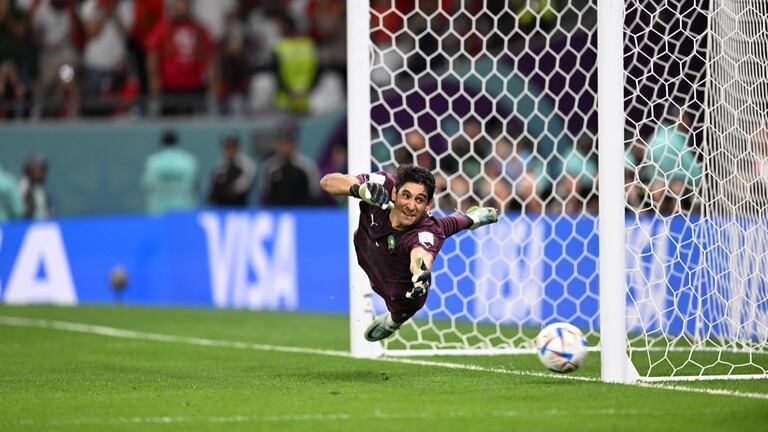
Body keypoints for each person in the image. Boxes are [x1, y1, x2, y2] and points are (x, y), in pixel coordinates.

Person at [320, 164, 498, 341]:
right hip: (366, 249)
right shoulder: (382, 185)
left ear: (428, 204)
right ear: (395, 193)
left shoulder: (426, 233)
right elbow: (327, 182)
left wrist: (421, 274)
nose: (411, 206)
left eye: (419, 200)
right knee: (444, 225)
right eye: (406, 196)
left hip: (399, 290)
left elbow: (421, 255)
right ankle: (472, 217)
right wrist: (358, 189)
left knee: (439, 228)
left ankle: (391, 323)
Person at [259, 123, 321, 206]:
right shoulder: (269, 166)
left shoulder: (308, 166)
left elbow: (315, 193)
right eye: (284, 142)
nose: (286, 146)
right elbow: (265, 194)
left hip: (302, 213)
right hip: (277, 213)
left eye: (290, 142)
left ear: (296, 143)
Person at [141, 129, 199, 214]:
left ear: (161, 143)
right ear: (177, 142)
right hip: (184, 211)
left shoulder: (153, 161)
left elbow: (146, 185)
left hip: (158, 211)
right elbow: (195, 186)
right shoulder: (188, 160)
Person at [207, 132, 256, 207]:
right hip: (220, 209)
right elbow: (211, 193)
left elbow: (240, 189)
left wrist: (225, 189)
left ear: (238, 147)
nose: (229, 150)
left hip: (240, 208)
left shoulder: (247, 165)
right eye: (227, 147)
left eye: (232, 147)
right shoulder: (219, 167)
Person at [17, 153, 51, 219]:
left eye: (43, 169)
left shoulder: (39, 187)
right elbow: (19, 212)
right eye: (39, 169)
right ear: (30, 170)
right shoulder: (23, 187)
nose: (42, 173)